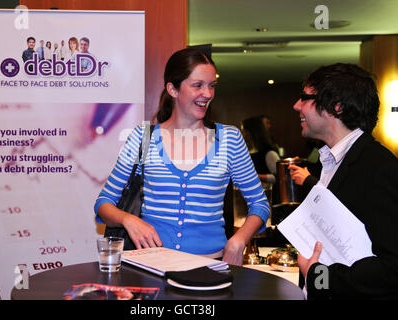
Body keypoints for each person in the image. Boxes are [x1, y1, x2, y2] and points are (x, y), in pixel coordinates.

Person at [94, 48, 270, 265]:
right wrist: (129, 220)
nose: (207, 94)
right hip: (151, 267)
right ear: (173, 89)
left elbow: (259, 203)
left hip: (209, 267)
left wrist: (238, 240)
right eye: (198, 85)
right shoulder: (143, 137)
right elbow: (104, 203)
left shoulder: (229, 139)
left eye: (211, 86)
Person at [292, 63, 398, 299]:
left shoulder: (379, 168)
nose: (296, 105)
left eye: (305, 98)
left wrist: (319, 277)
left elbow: (392, 268)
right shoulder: (328, 161)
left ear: (336, 106)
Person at [240, 116, 280, 184]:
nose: (242, 134)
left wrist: (254, 176)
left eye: (244, 131)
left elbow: (278, 177)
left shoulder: (269, 152)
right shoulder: (246, 151)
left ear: (252, 132)